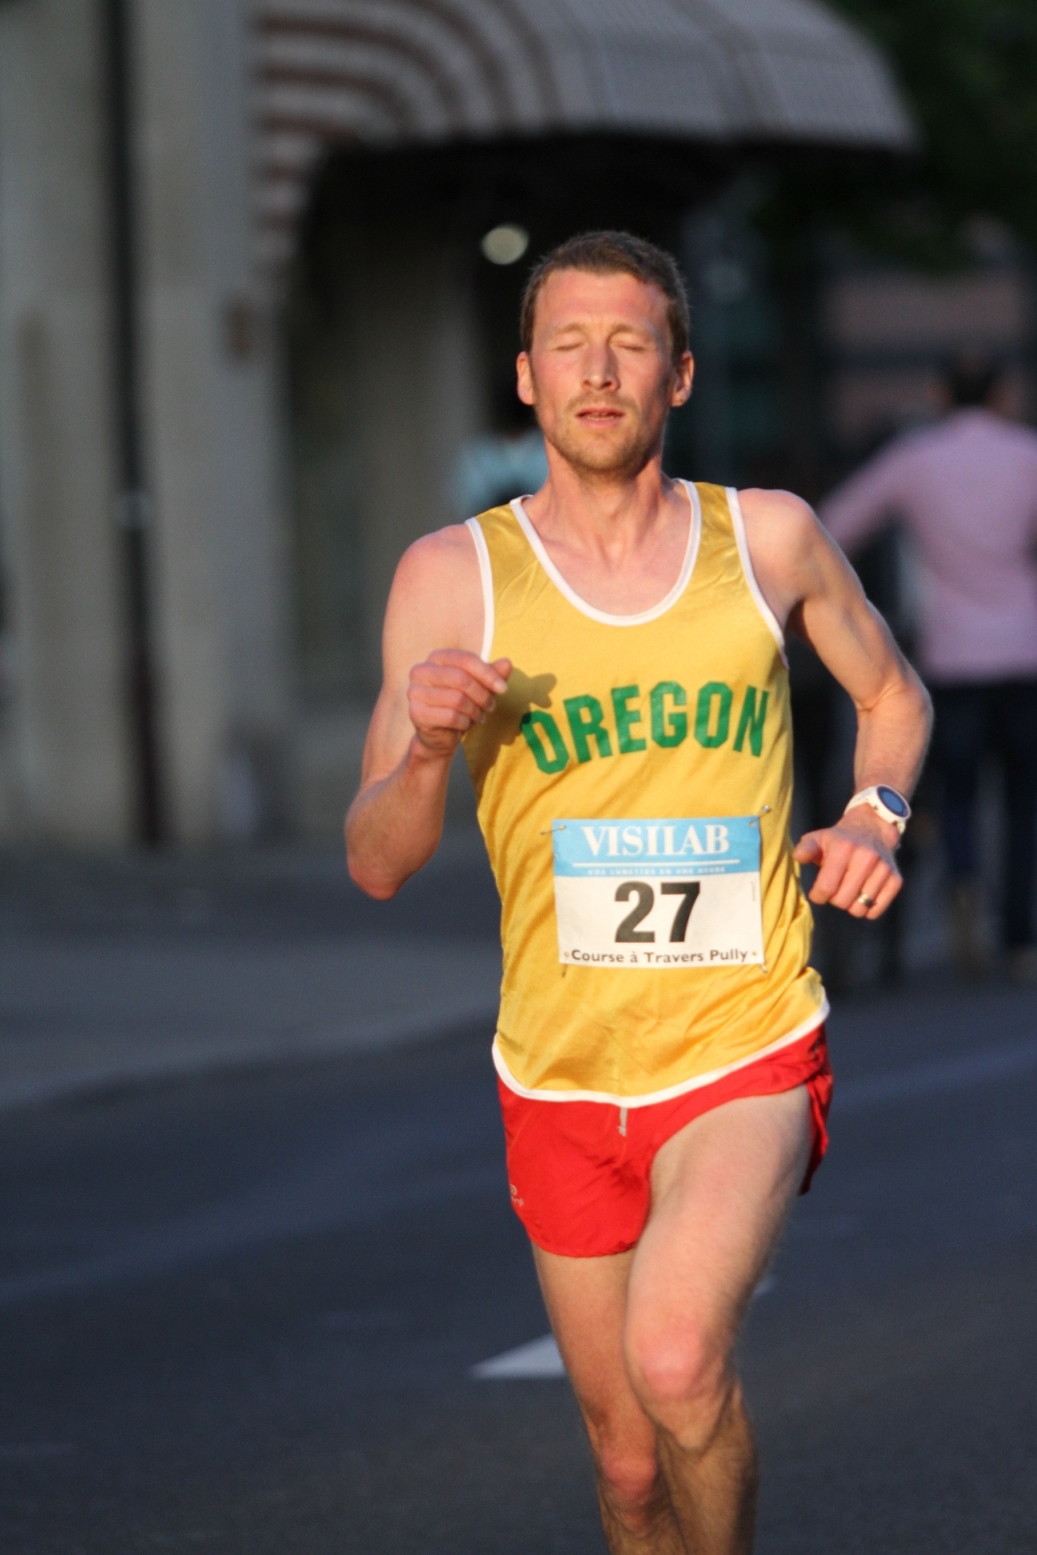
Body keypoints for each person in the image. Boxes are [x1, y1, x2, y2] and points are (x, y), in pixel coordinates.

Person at [346, 232, 930, 1554]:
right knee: (623, 1464)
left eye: (628, 344)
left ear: (678, 373)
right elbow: (376, 859)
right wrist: (427, 748)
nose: (597, 371)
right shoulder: (449, 576)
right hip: (557, 1067)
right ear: (526, 377)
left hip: (741, 1040)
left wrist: (873, 813)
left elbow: (892, 695)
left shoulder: (766, 537)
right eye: (568, 344)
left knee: (676, 1360)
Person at [821, 356, 1037, 980]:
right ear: (1002, 395)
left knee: (959, 793)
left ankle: (963, 878)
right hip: (1023, 648)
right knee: (1022, 800)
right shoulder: (1026, 454)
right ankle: (1019, 935)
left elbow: (834, 526)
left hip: (951, 652)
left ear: (941, 395)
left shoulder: (915, 459)